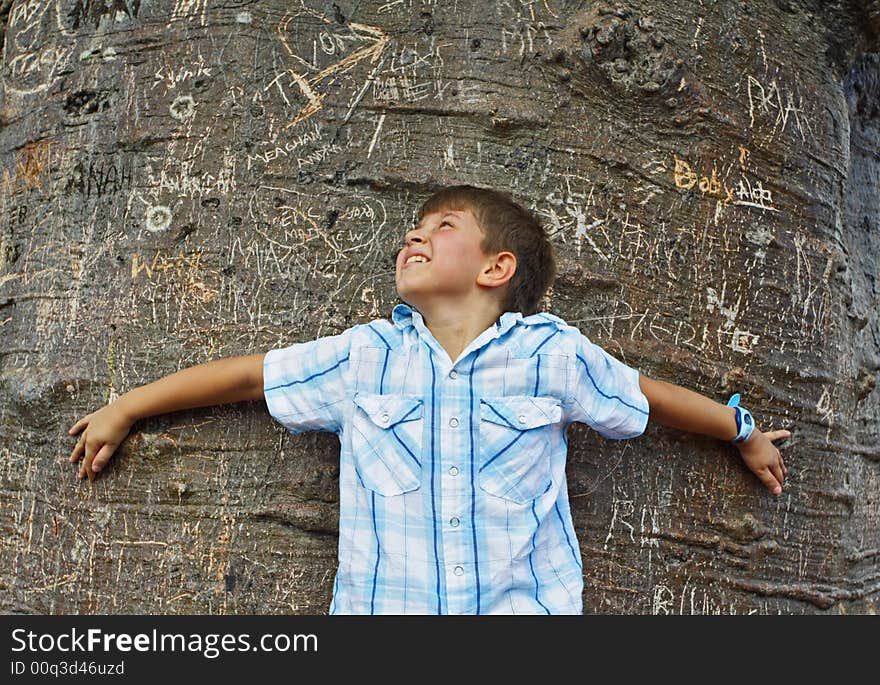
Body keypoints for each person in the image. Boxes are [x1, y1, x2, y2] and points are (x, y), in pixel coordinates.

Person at [68, 184, 791, 614]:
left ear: (496, 267)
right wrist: (128, 405)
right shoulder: (364, 357)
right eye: (415, 227)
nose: (416, 232)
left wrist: (740, 428)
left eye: (443, 227)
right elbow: (250, 377)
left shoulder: (550, 353)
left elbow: (646, 398)